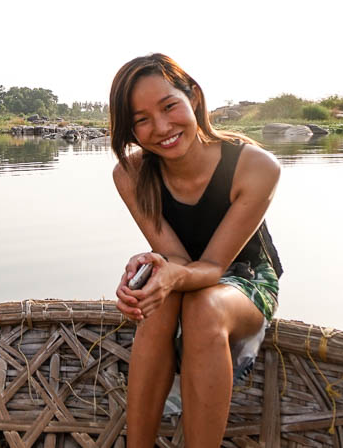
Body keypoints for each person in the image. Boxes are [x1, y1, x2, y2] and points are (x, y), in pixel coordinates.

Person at [109, 54, 284, 448]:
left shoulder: (256, 167)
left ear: (195, 99)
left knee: (203, 306)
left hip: (246, 282)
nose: (162, 127)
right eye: (141, 120)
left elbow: (215, 266)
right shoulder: (131, 174)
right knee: (157, 300)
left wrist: (170, 274)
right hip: (189, 273)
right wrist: (150, 267)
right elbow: (178, 261)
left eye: (169, 106)